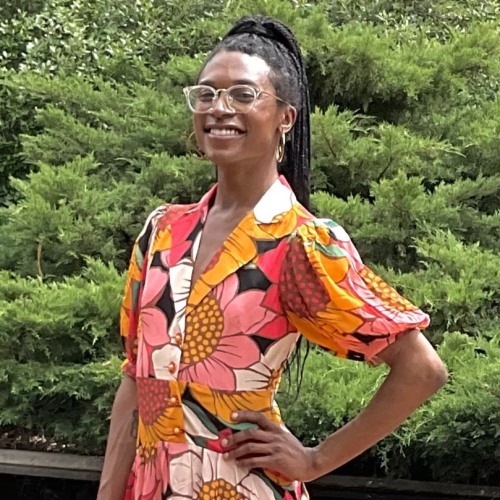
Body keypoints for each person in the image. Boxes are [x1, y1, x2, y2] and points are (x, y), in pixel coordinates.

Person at [97, 15, 447, 500]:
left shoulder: (300, 244)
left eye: (243, 94)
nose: (220, 108)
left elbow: (421, 370)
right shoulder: (162, 232)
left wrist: (314, 460)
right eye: (206, 94)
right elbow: (135, 384)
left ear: (286, 116)